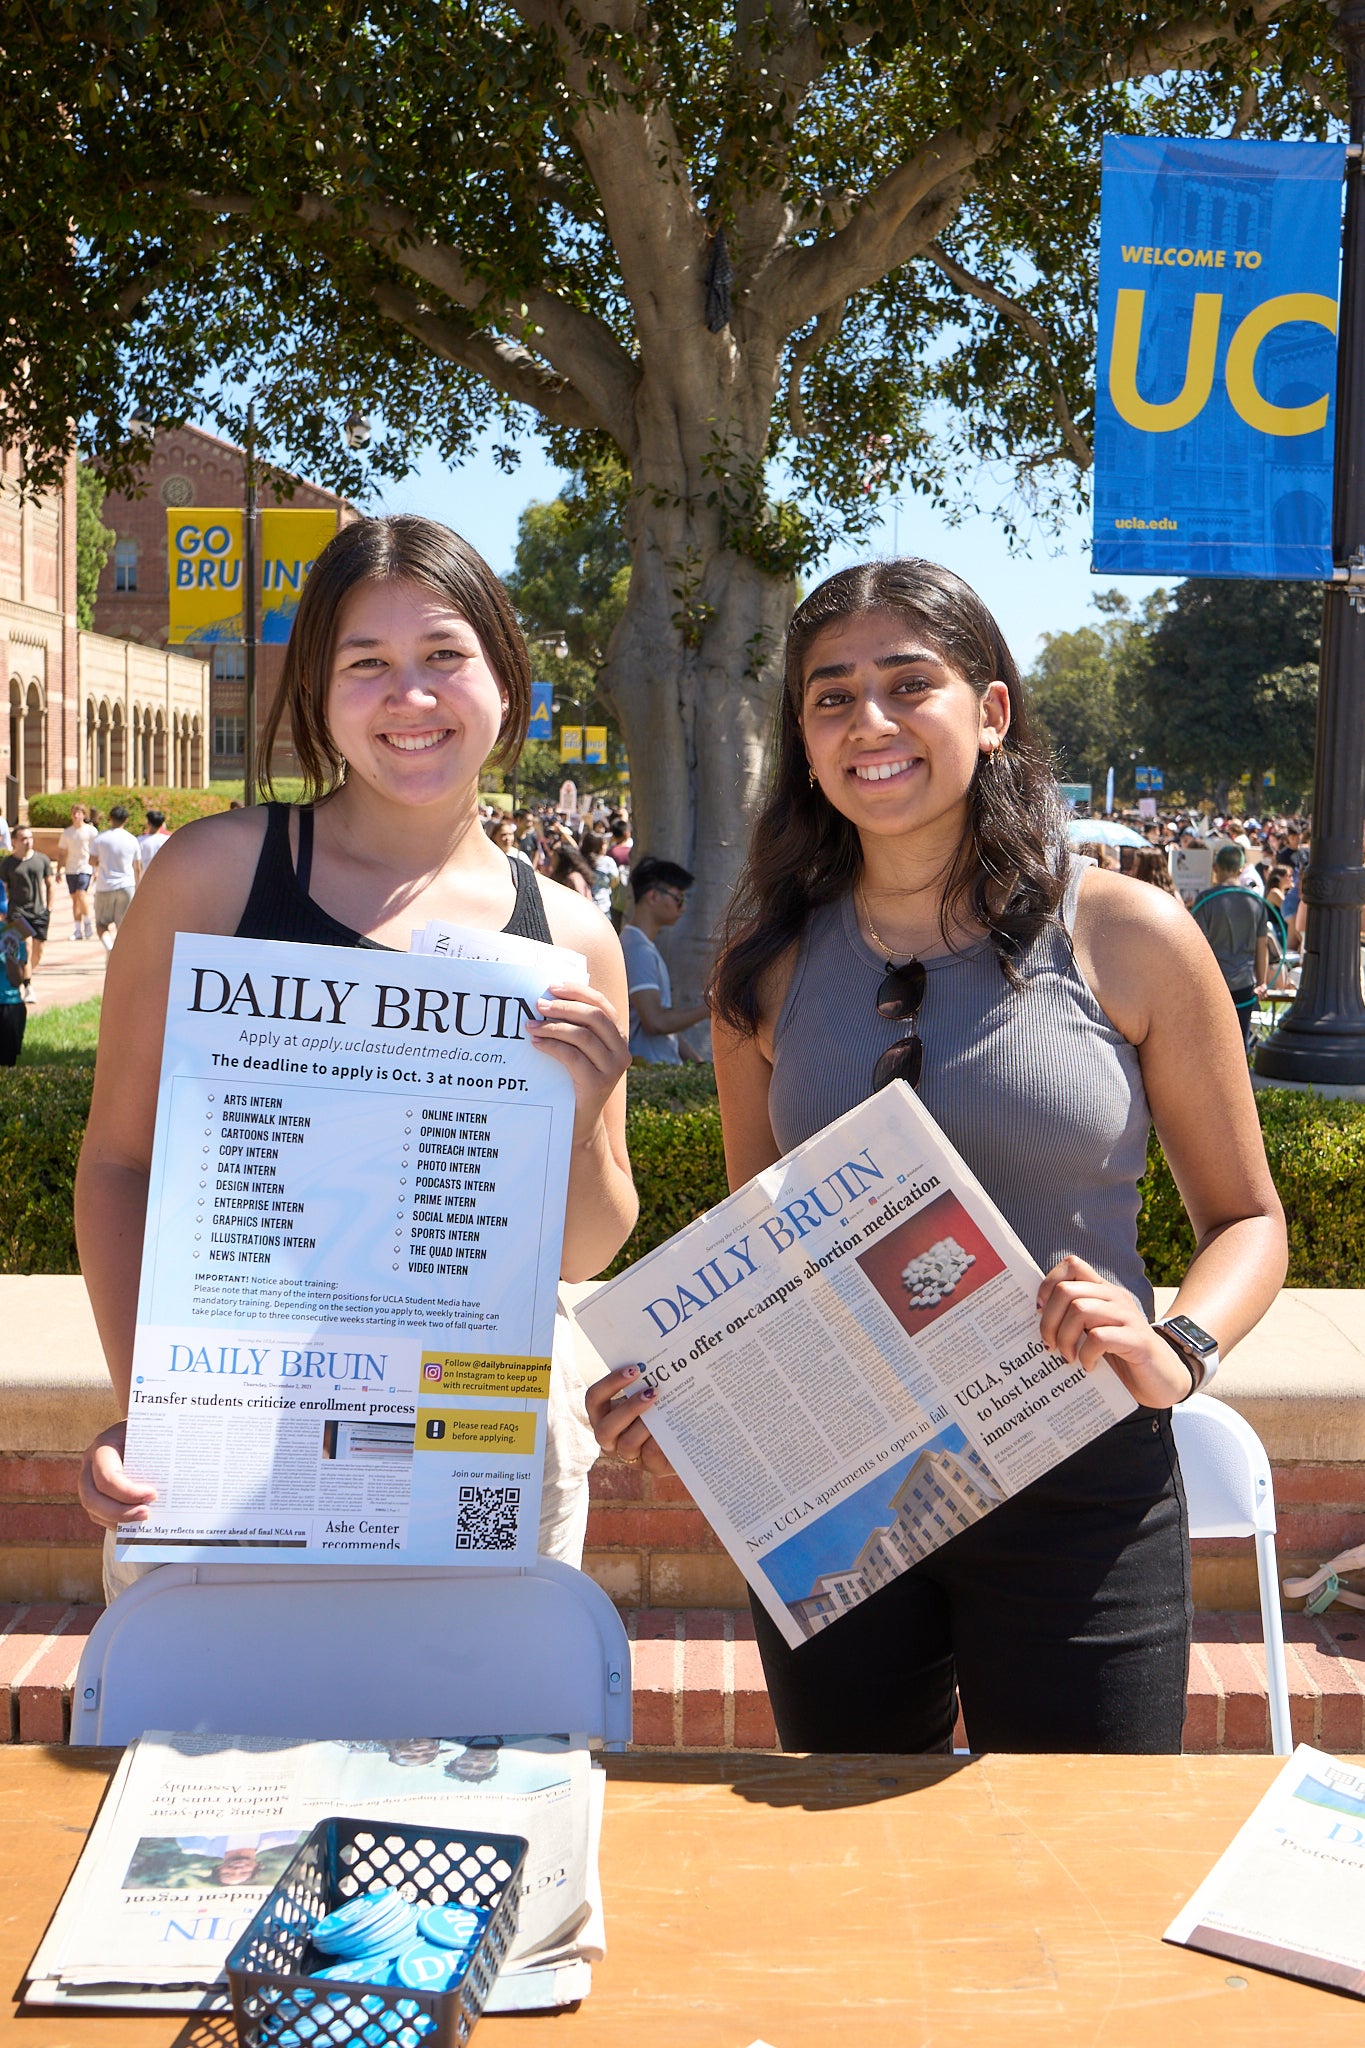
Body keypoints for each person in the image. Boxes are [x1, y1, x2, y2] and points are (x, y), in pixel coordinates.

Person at [589, 558, 1285, 1756]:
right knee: (854, 1862)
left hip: (1081, 1473)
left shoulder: (1126, 929)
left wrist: (1179, 1346)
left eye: (911, 683)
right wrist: (684, 1385)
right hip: (838, 1484)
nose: (871, 722)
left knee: (1087, 1867)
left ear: (991, 710)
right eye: (831, 696)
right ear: (804, 741)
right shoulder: (762, 969)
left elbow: (1249, 1217)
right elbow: (766, 1246)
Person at [74, 515, 637, 1600]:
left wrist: (575, 1112)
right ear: (319, 696)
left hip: (480, 1439)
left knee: (469, 1754)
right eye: (365, 664)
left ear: (505, 683)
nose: (408, 696)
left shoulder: (573, 937)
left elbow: (585, 1245)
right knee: (211, 1752)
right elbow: (118, 1165)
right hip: (229, 1450)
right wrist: (147, 1400)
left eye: (443, 657)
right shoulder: (211, 876)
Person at [620, 856, 710, 1064]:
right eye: (679, 898)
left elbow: (665, 1028)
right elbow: (655, 1022)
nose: (683, 907)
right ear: (653, 897)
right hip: (650, 1071)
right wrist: (710, 1009)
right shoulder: (637, 950)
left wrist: (697, 1063)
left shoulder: (640, 945)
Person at [1191, 844, 1274, 1048]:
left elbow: (1195, 944)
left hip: (1213, 981)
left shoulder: (1206, 900)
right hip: (1244, 982)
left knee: (1211, 1042)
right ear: (1240, 870)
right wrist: (1261, 981)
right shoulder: (1255, 901)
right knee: (1239, 1041)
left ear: (1216, 868)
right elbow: (1261, 945)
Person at [0, 825, 54, 992]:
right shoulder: (7, 863)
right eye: (23, 838)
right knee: (27, 947)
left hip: (39, 912)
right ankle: (28, 986)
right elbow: (4, 889)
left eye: (30, 838)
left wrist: (49, 908)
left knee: (37, 953)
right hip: (17, 912)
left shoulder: (42, 859)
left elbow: (50, 884)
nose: (28, 842)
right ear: (14, 841)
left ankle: (26, 974)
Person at [90, 804, 142, 950]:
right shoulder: (132, 840)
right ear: (126, 820)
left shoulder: (101, 839)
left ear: (110, 818)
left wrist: (102, 861)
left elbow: (92, 860)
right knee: (124, 926)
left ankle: (109, 947)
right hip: (127, 886)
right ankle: (120, 954)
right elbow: (137, 867)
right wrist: (138, 888)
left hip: (105, 886)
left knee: (101, 925)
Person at [57, 801, 98, 940]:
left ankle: (87, 923)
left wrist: (97, 869)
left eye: (79, 813)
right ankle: (77, 930)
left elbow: (96, 852)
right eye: (74, 813)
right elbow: (62, 853)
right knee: (75, 900)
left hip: (85, 867)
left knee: (81, 894)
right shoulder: (67, 832)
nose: (76, 816)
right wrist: (58, 870)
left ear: (83, 815)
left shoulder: (91, 831)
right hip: (70, 869)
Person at [0, 914, 27, 1064]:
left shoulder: (14, 933)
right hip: (11, 1007)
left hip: (10, 1006)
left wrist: (9, 955)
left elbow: (17, 980)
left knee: (6, 1065)